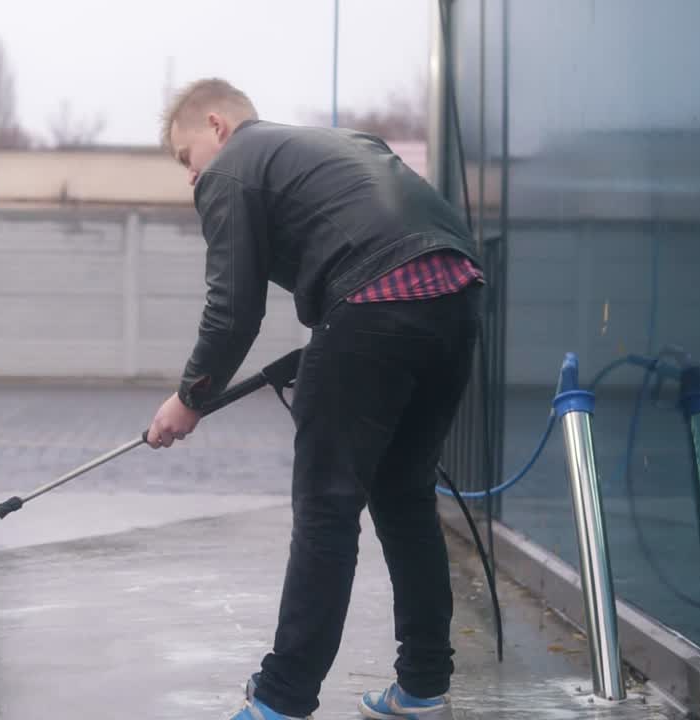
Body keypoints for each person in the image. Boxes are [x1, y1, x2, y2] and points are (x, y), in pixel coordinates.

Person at [145, 78, 485, 720]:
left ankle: (281, 700)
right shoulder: (339, 144)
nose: (192, 178)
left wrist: (190, 398)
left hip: (372, 299)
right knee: (406, 497)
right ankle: (422, 688)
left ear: (216, 126)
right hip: (457, 294)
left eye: (187, 159)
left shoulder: (232, 166)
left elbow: (232, 310)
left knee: (327, 509)